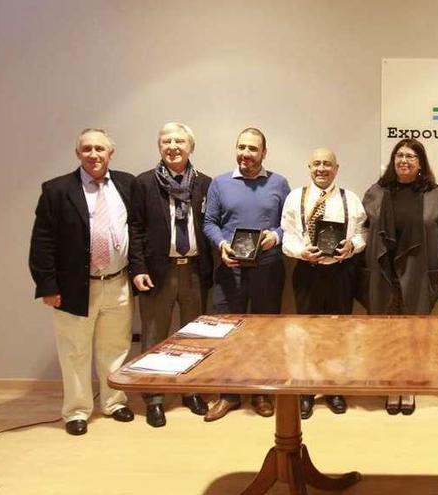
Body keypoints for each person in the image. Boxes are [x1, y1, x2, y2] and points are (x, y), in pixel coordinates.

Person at [28, 128, 136, 435]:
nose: (94, 155)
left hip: (118, 282)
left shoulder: (127, 185)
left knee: (115, 347)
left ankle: (114, 402)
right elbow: (42, 242)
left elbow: (136, 231)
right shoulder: (57, 189)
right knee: (74, 349)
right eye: (87, 149)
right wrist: (47, 285)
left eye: (100, 149)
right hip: (75, 287)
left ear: (110, 154)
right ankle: (76, 411)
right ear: (78, 154)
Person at [202, 127, 291, 421]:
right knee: (228, 334)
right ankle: (228, 395)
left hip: (268, 269)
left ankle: (261, 392)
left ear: (264, 153)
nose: (246, 154)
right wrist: (222, 244)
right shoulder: (219, 184)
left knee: (264, 334)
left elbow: (288, 224)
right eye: (241, 147)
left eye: (253, 149)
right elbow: (209, 223)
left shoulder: (279, 183)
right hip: (231, 270)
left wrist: (275, 237)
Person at [129, 122, 214, 427]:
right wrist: (137, 268)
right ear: (159, 147)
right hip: (157, 272)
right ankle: (154, 398)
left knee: (195, 338)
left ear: (191, 147)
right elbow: (135, 230)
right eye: (167, 141)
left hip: (194, 271)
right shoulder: (143, 184)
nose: (173, 146)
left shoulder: (205, 183)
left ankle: (191, 392)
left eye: (180, 141)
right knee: (154, 337)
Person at [361, 138, 438, 415]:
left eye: (411, 156)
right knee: (387, 332)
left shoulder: (437, 195)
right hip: (383, 272)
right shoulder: (376, 192)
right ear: (392, 160)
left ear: (421, 163)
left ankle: (409, 385)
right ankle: (391, 384)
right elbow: (363, 230)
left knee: (415, 331)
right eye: (399, 155)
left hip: (420, 272)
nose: (404, 160)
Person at [282, 148, 367, 419]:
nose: (322, 168)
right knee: (307, 334)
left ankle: (334, 388)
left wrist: (352, 246)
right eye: (317, 164)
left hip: (341, 273)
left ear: (336, 168)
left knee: (339, 333)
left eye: (327, 164)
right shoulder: (296, 197)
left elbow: (363, 232)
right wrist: (300, 252)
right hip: (308, 272)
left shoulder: (350, 199)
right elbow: (288, 236)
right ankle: (307, 390)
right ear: (309, 167)